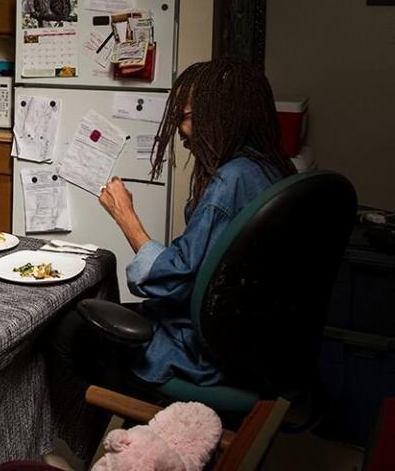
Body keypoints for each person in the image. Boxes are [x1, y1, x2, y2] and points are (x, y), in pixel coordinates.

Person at [47, 59, 296, 461]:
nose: (181, 133)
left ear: (221, 114)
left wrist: (126, 218)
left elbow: (173, 278)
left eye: (185, 118)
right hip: (254, 346)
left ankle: (97, 449)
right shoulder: (270, 168)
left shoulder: (231, 182)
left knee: (72, 330)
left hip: (208, 353)